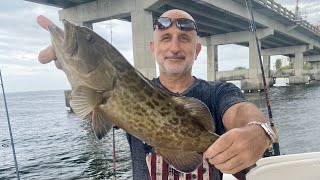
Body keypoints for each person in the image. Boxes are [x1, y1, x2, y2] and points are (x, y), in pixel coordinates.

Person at [37, 9, 273, 180]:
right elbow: (94, 112)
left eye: (184, 39)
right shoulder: (115, 92)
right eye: (165, 38)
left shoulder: (218, 92)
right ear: (153, 48)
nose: (174, 48)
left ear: (197, 50)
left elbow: (241, 111)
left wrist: (259, 129)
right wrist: (71, 68)